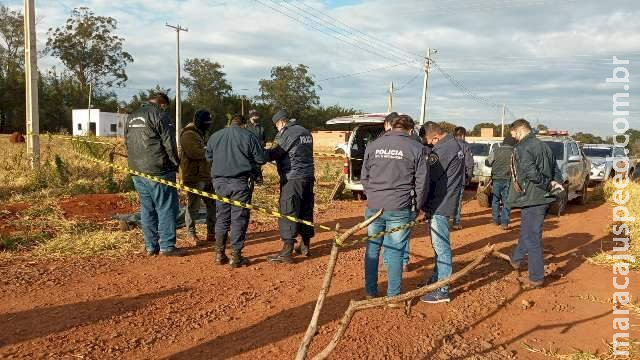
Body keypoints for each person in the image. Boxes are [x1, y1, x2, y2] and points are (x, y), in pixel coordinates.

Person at [361, 114, 429, 304]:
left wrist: (372, 194)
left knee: (372, 250)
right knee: (396, 252)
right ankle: (393, 296)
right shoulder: (417, 147)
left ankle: (370, 292)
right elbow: (422, 183)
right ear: (410, 129)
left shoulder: (373, 145)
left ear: (391, 127)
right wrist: (418, 207)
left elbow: (364, 176)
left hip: (374, 207)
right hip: (400, 207)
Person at [124, 93, 183, 257]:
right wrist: (176, 164)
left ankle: (151, 246)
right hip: (158, 170)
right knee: (166, 207)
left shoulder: (132, 116)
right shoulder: (160, 115)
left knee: (147, 208)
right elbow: (169, 144)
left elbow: (126, 141)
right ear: (163, 104)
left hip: (136, 170)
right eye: (166, 106)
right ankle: (167, 246)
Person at [507, 119, 564, 288]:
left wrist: (547, 184)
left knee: (532, 237)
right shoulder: (544, 145)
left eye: (513, 134)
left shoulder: (523, 147)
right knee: (528, 230)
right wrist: (556, 183)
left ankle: (536, 277)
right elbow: (556, 169)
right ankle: (516, 260)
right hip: (543, 197)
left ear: (518, 131)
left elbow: (530, 172)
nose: (513, 137)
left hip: (533, 198)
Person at [206, 114, 268, 267]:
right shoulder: (249, 136)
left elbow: (208, 157)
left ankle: (219, 255)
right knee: (239, 219)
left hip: (219, 183)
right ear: (244, 124)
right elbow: (261, 159)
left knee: (222, 217)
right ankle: (236, 256)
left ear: (230, 123)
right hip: (240, 182)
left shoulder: (215, 136)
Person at [419, 121, 465, 303]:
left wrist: (422, 206)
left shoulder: (442, 150)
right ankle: (437, 279)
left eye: (430, 142)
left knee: (441, 246)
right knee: (439, 246)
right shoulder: (456, 144)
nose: (430, 145)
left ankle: (442, 289)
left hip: (440, 204)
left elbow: (429, 180)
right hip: (446, 202)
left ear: (435, 137)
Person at [266, 109, 316, 264]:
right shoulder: (305, 131)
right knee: (305, 209)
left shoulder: (286, 133)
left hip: (292, 178)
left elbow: (275, 153)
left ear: (280, 122)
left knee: (289, 210)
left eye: (276, 126)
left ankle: (287, 252)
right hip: (308, 176)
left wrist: (260, 154)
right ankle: (305, 245)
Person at [179, 110, 216, 246]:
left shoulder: (202, 133)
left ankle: (211, 233)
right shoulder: (188, 134)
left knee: (213, 205)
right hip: (194, 177)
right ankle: (191, 233)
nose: (208, 125)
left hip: (207, 175)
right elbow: (196, 153)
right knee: (193, 207)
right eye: (206, 123)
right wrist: (211, 150)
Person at [485, 136, 517, 230]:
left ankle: (495, 220)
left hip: (496, 179)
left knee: (495, 199)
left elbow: (487, 163)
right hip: (508, 179)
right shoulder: (514, 152)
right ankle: (504, 223)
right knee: (507, 201)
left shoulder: (495, 150)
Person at [452, 127, 474, 230]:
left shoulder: (447, 144)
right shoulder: (465, 146)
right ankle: (456, 223)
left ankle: (441, 222)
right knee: (457, 201)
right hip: (459, 179)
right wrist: (468, 177)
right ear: (463, 135)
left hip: (447, 180)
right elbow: (469, 163)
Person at [246, 109, 266, 184]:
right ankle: (250, 179)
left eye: (257, 115)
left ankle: (258, 179)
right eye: (254, 115)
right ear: (251, 117)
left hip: (259, 150)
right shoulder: (246, 126)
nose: (256, 116)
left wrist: (262, 144)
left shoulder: (261, 128)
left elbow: (264, 139)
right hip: (249, 151)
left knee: (258, 165)